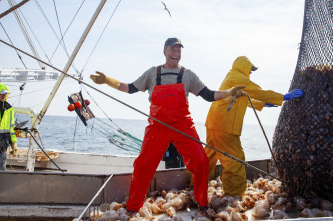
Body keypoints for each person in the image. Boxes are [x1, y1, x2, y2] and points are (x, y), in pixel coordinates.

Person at [90, 37, 245, 212]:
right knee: (142, 166)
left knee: (201, 161)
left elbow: (209, 95)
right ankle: (133, 207)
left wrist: (229, 92)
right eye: (173, 49)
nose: (176, 53)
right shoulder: (152, 73)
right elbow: (130, 88)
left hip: (183, 125)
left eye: (179, 50)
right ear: (164, 51)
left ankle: (202, 203)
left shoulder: (188, 75)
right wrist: (107, 80)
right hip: (157, 127)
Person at [204, 56, 303, 197]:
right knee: (235, 160)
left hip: (213, 123)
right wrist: (283, 97)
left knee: (207, 158)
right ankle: (234, 196)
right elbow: (257, 91)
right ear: (243, 67)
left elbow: (245, 99)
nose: (250, 73)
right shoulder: (238, 77)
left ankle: (194, 186)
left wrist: (263, 104)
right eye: (250, 70)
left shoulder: (231, 76)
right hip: (224, 126)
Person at [0, 83, 17, 171]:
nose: (4, 95)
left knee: (1, 171)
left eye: (6, 93)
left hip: (2, 145)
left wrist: (13, 143)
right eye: (2, 93)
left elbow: (11, 128)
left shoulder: (9, 108)